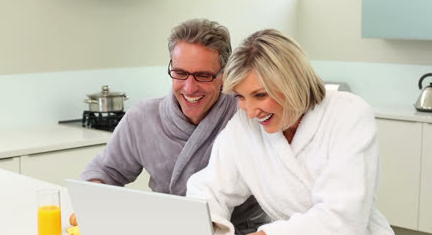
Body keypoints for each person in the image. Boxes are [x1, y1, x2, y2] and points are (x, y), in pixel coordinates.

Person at [186, 29, 395, 235]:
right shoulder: (244, 127)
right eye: (240, 97)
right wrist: (208, 225)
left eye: (260, 95)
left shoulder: (348, 114)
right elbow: (209, 187)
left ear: (291, 83)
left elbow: (342, 217)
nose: (250, 112)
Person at [71, 19, 267, 234]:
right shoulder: (143, 118)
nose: (189, 88)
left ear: (224, 75)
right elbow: (106, 170)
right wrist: (95, 198)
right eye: (180, 73)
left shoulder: (245, 116)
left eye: (203, 76)